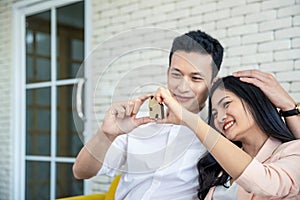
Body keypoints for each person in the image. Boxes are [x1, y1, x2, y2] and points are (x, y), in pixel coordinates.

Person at [73, 30, 224, 199]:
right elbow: (81, 172)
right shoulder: (137, 121)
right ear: (167, 73)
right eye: (176, 74)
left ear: (213, 83)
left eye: (195, 78)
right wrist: (106, 135)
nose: (182, 87)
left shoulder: (216, 134)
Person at [154, 75, 300, 200]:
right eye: (215, 114)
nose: (220, 118)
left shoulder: (292, 151)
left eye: (226, 104)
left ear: (252, 100)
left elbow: (264, 183)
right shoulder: (221, 169)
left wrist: (191, 120)